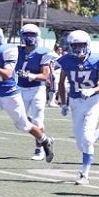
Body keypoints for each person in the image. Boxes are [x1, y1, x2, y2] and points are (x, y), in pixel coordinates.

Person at [0, 24, 55, 162]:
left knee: (24, 125)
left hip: (10, 95)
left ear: (0, 37)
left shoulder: (8, 49)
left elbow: (8, 74)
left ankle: (45, 140)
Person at [57, 30, 99, 185]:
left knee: (88, 139)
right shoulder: (65, 60)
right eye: (75, 45)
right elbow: (61, 83)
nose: (78, 48)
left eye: (81, 45)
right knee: (80, 143)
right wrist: (63, 103)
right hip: (75, 102)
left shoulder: (97, 60)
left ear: (87, 45)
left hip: (92, 102)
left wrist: (92, 90)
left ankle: (85, 175)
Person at [16, 24, 60, 160]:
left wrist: (31, 76)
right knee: (19, 120)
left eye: (32, 35)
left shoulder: (43, 52)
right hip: (21, 89)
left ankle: (39, 150)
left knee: (37, 120)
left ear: (38, 36)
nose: (29, 38)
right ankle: (45, 139)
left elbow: (45, 75)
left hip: (37, 89)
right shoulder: (16, 50)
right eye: (27, 35)